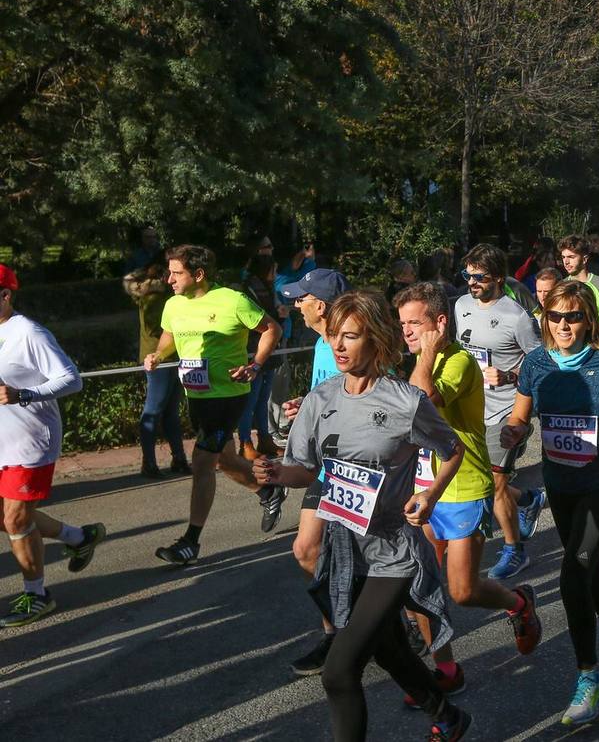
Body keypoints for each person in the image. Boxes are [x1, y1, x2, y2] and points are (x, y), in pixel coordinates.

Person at [252, 291, 473, 742]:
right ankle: (447, 716)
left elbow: (452, 450)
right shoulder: (321, 397)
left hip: (392, 553)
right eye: (334, 336)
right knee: (389, 647)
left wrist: (429, 495)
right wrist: (276, 471)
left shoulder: (405, 401)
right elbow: (305, 471)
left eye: (350, 336)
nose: (338, 346)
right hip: (344, 551)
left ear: (375, 341)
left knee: (339, 671)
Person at [501, 280, 599, 725]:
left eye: (573, 316)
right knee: (589, 567)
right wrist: (513, 434)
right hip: (560, 482)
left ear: (589, 321)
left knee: (574, 570)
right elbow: (520, 418)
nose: (564, 325)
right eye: (556, 316)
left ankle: (589, 676)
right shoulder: (536, 364)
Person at [397, 281, 541, 699]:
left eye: (415, 323)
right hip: (425, 488)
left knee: (462, 591)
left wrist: (426, 354)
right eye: (402, 323)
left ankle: (518, 603)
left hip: (464, 487)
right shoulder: (417, 362)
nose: (407, 331)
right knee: (419, 582)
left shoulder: (457, 362)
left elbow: (420, 400)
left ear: (440, 323)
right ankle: (446, 669)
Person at [148, 245, 283, 565]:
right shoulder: (173, 304)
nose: (169, 279)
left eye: (176, 273)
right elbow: (170, 334)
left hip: (228, 395)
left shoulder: (232, 300)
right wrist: (158, 354)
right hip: (196, 394)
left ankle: (190, 542)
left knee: (202, 462)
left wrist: (255, 365)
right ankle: (269, 491)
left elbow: (271, 329)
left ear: (199, 274)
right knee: (224, 459)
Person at [0, 264, 105, 628]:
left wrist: (23, 394)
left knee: (15, 517)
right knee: (5, 517)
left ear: (5, 295)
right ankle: (79, 537)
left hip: (30, 441)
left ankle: (38, 594)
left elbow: (71, 379)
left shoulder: (28, 332)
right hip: (1, 440)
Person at [454, 244, 546, 581]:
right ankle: (529, 499)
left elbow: (541, 366)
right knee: (485, 481)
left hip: (507, 411)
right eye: (468, 275)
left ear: (498, 278)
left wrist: (508, 376)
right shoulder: (461, 305)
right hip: (471, 408)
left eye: (479, 277)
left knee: (494, 485)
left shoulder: (515, 316)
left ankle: (514, 550)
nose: (472, 282)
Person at [278, 267, 352, 675]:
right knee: (306, 550)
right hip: (323, 467)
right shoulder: (321, 345)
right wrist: (303, 405)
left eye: (301, 299)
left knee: (376, 559)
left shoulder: (355, 344)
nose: (296, 305)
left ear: (320, 306)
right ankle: (336, 633)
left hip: (358, 469)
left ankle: (405, 624)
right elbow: (324, 395)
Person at [123, 261, 188, 478]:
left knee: (170, 412)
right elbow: (154, 328)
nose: (173, 279)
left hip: (172, 358)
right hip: (158, 360)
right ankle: (149, 461)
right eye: (170, 274)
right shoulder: (153, 298)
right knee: (153, 410)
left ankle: (178, 457)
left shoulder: (165, 298)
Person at [238, 254, 284, 461]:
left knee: (263, 399)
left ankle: (264, 439)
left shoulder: (268, 289)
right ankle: (245, 442)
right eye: (273, 270)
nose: (275, 275)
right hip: (254, 351)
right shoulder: (248, 290)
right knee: (251, 400)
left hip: (270, 351)